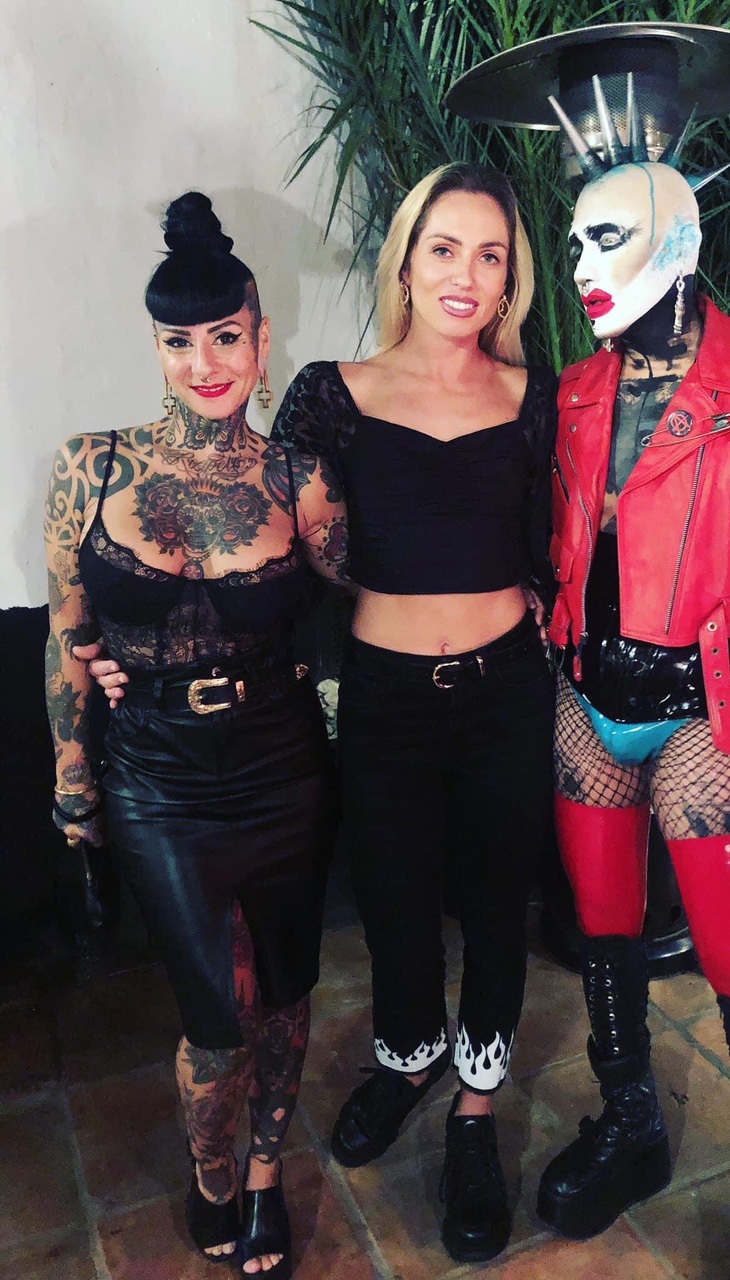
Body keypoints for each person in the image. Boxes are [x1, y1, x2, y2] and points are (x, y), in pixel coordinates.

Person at [90, 163, 558, 1263]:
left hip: (506, 691)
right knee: (394, 901)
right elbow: (258, 537)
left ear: (510, 281)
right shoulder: (328, 395)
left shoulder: (536, 398)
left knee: (498, 903)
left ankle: (476, 1110)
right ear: (406, 261)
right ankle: (408, 1055)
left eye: (490, 254)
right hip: (385, 698)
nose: (465, 273)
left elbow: (559, 536)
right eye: (443, 246)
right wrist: (123, 653)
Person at [446, 30, 730, 1279]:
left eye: (604, 239)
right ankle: (631, 1123)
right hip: (585, 694)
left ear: (680, 239)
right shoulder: (569, 393)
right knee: (603, 930)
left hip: (700, 710)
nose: (577, 267)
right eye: (571, 243)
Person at [46, 192, 346, 1278]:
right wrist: (72, 776)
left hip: (282, 765)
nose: (204, 362)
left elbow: (368, 602)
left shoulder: (298, 474)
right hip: (156, 775)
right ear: (157, 346)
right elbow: (67, 630)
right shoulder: (91, 464)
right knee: (218, 1014)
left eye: (226, 336)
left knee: (288, 993)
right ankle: (212, 1170)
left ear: (261, 341)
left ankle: (263, 1174)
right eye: (180, 341)